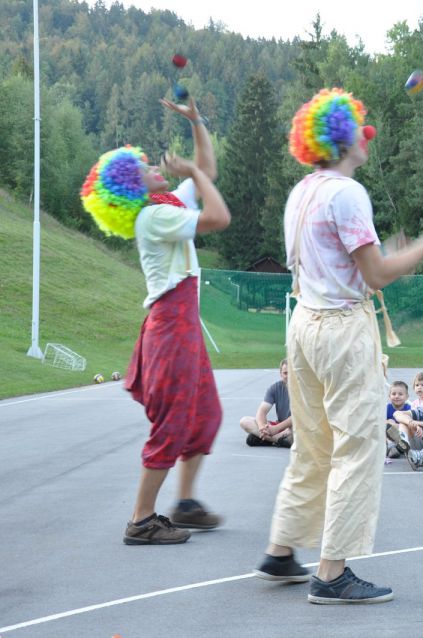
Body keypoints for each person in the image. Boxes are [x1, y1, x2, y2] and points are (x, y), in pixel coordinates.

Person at [252, 88, 423, 603]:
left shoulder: (302, 192)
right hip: (340, 330)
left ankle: (281, 546)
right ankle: (332, 574)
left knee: (313, 445)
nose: (367, 133)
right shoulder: (346, 194)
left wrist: (383, 255)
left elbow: (340, 261)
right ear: (344, 138)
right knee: (358, 447)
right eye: (359, 126)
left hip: (304, 326)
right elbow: (375, 275)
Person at [81, 97, 231, 545]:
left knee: (205, 415)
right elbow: (219, 216)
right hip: (170, 327)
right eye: (144, 168)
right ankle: (141, 520)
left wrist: (197, 122)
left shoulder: (163, 202)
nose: (152, 166)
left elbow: (208, 169)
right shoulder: (155, 216)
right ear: (133, 187)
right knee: (172, 423)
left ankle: (183, 504)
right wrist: (195, 174)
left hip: (181, 324)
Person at [240, 359, 293, 448]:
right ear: (280, 374)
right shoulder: (275, 388)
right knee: (245, 421)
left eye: (291, 373)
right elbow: (262, 412)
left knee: (297, 429)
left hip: (294, 427)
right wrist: (262, 428)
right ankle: (278, 440)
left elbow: (298, 416)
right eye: (285, 373)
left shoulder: (304, 389)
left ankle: (267, 439)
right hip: (280, 428)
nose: (288, 376)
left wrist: (275, 429)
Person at [385, 381, 411, 458]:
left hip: (403, 435)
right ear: (389, 396)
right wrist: (389, 422)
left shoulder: (409, 408)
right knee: (385, 424)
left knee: (405, 425)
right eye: (393, 394)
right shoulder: (387, 408)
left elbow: (410, 423)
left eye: (400, 394)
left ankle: (399, 447)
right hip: (390, 437)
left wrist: (395, 425)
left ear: (407, 396)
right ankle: (391, 446)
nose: (397, 396)